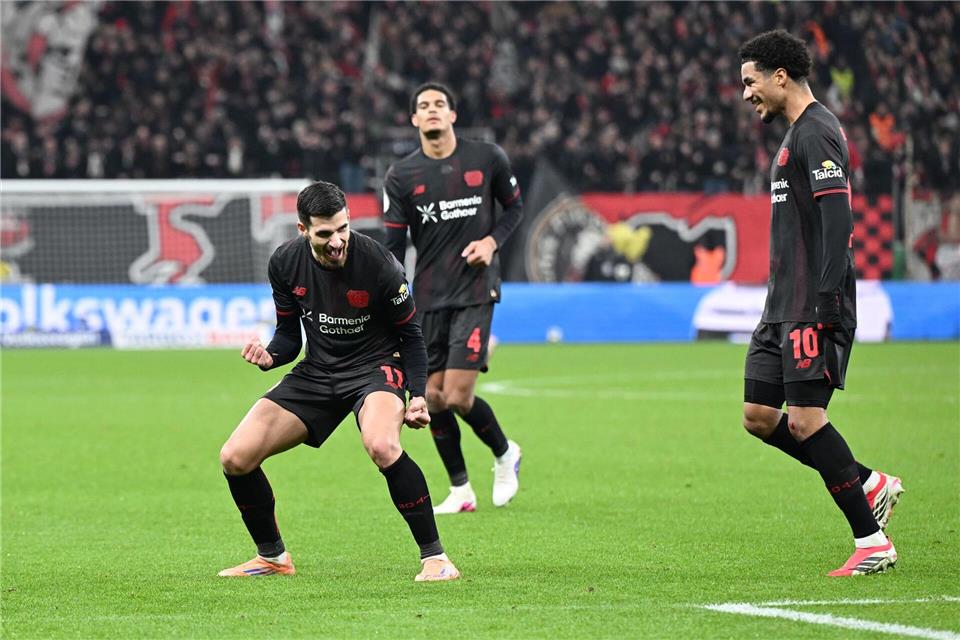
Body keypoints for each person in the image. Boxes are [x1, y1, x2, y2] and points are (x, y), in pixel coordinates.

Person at [218, 181, 459, 582]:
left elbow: (412, 337)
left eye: (342, 229)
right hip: (319, 371)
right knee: (235, 457)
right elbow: (289, 338)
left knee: (382, 444)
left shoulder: (380, 265)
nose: (337, 241)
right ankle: (273, 557)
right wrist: (269, 357)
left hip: (375, 368)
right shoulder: (284, 263)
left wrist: (417, 396)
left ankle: (436, 558)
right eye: (325, 233)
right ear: (302, 230)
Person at [738, 30, 903, 576]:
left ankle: (871, 540)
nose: (746, 94)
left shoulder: (818, 133)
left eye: (750, 81)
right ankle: (867, 480)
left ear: (778, 75)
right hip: (779, 307)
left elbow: (839, 222)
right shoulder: (791, 138)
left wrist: (827, 300)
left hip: (813, 304)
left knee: (808, 422)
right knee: (760, 416)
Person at [382, 82, 523, 514]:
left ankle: (505, 453)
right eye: (423, 107)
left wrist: (492, 243)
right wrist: (392, 296)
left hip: (477, 289)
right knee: (435, 397)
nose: (432, 112)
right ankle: (461, 489)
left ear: (453, 114)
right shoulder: (401, 176)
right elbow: (392, 247)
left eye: (440, 104)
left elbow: (514, 208)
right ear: (413, 120)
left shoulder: (487, 157)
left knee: (458, 395)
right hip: (427, 296)